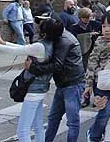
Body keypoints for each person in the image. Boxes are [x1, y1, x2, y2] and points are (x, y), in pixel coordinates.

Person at [0, 17, 61, 142]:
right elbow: (24, 48)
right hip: (41, 89)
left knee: (23, 131)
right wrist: (2, 42)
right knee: (38, 127)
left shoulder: (40, 46)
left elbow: (18, 50)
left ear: (44, 31)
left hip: (33, 91)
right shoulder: (51, 44)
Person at [25, 14, 85, 142]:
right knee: (53, 118)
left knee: (72, 121)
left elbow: (57, 65)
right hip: (64, 83)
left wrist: (33, 68)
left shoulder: (64, 40)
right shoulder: (60, 36)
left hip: (72, 84)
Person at [84, 9, 110, 142]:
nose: (106, 29)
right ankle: (94, 135)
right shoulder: (100, 42)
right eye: (104, 26)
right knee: (105, 110)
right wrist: (89, 85)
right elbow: (92, 62)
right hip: (101, 84)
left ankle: (107, 134)